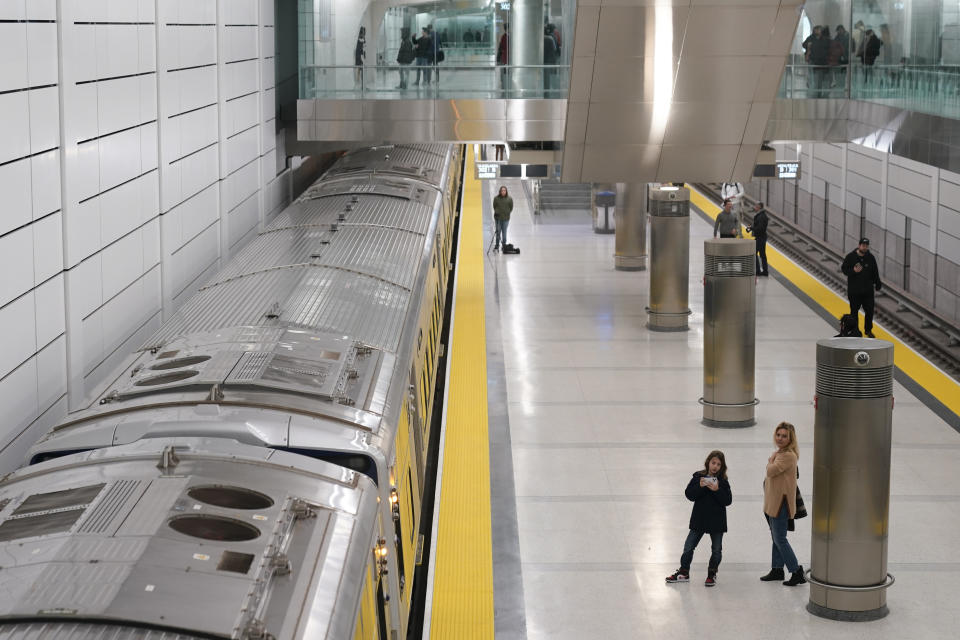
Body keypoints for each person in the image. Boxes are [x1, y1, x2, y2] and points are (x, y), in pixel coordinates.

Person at [665, 451, 733, 587]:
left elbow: (728, 500)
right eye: (713, 463)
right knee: (689, 546)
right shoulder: (698, 477)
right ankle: (684, 572)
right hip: (699, 519)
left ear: (722, 467)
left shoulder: (723, 482)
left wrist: (717, 490)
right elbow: (689, 494)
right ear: (708, 462)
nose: (715, 466)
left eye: (719, 464)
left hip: (716, 521)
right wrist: (701, 486)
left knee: (716, 549)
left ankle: (712, 574)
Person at [762, 422, 806, 587]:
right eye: (778, 435)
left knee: (780, 539)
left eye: (784, 436)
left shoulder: (788, 455)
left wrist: (771, 460)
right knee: (776, 537)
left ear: (791, 439)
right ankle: (777, 569)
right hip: (773, 502)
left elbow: (770, 471)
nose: (780, 438)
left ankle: (796, 571)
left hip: (781, 504)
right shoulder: (782, 453)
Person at [841, 237, 882, 338]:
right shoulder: (850, 257)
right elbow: (844, 270)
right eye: (863, 245)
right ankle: (855, 330)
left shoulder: (871, 258)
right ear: (859, 246)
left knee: (870, 311)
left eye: (866, 246)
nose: (865, 247)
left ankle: (868, 330)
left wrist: (878, 283)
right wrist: (853, 271)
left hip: (868, 291)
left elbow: (875, 272)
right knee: (854, 312)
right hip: (854, 292)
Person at [746, 201, 769, 276]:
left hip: (760, 237)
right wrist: (751, 227)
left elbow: (760, 228)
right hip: (761, 237)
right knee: (762, 254)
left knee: (754, 253)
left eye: (755, 206)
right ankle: (765, 271)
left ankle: (758, 271)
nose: (754, 207)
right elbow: (758, 225)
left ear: (759, 207)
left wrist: (752, 228)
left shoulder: (761, 216)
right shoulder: (761, 215)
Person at [493, 185, 513, 251]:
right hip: (498, 219)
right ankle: (497, 245)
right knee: (498, 232)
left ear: (506, 191)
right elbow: (494, 206)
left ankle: (504, 245)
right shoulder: (496, 198)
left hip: (506, 219)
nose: (503, 192)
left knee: (504, 233)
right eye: (502, 190)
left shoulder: (509, 199)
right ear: (500, 191)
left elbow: (511, 207)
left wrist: (507, 213)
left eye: (504, 190)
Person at [543, 25, 559, 94]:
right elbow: (554, 49)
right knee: (550, 77)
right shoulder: (551, 38)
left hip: (544, 61)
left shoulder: (541, 39)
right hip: (550, 60)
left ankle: (546, 92)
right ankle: (551, 92)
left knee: (545, 78)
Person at [497, 23, 510, 91]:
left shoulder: (507, 36)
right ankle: (505, 86)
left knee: (508, 72)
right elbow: (501, 48)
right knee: (505, 72)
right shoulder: (504, 37)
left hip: (508, 57)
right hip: (505, 58)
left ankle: (507, 85)